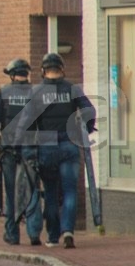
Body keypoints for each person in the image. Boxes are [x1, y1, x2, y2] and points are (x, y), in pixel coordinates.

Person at [28, 52, 96, 248]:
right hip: (68, 144)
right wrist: (88, 128)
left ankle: (52, 235)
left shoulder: (36, 92)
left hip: (46, 146)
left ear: (43, 71)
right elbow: (89, 111)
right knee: (69, 191)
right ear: (62, 69)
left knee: (50, 191)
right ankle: (68, 231)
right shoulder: (72, 89)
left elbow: (29, 123)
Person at [0, 58, 43, 245]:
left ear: (11, 75)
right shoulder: (36, 93)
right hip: (32, 149)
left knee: (11, 193)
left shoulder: (3, 93)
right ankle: (34, 233)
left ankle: (12, 233)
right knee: (33, 190)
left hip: (9, 150)